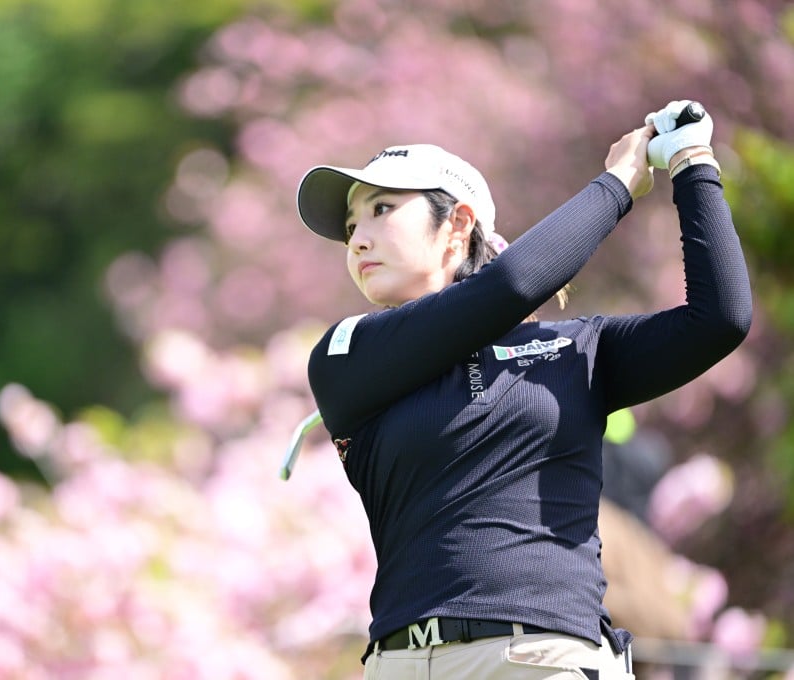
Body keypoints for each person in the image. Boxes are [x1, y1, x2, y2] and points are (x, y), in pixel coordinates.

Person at [294, 100, 752, 679]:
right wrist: (617, 185)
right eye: (351, 227)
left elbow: (720, 319)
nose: (358, 239)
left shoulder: (573, 351)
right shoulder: (346, 354)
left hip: (544, 659)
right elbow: (512, 285)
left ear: (457, 225)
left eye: (381, 209)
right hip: (402, 664)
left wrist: (691, 161)